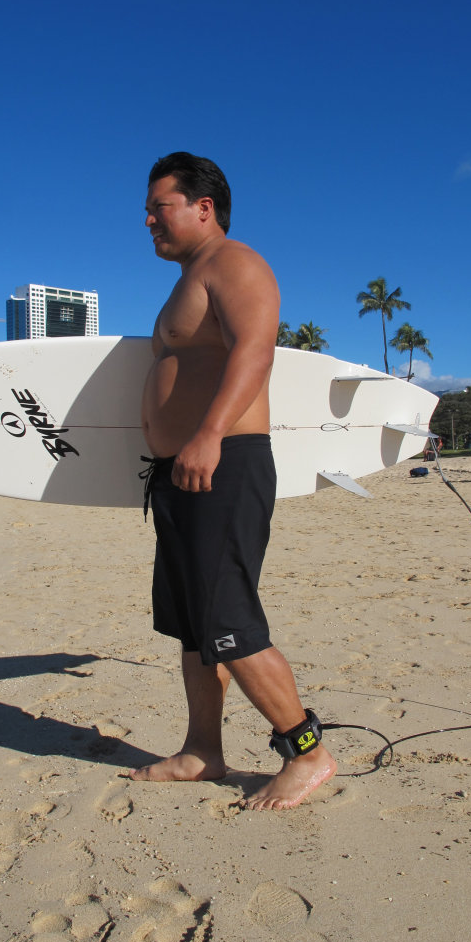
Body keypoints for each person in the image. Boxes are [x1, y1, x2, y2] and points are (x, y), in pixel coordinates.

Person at [131, 152, 337, 810]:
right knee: (194, 625)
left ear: (202, 207)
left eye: (159, 207)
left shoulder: (235, 263)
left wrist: (209, 432)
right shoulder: (189, 277)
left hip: (223, 458)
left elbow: (256, 347)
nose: (148, 220)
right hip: (181, 470)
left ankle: (306, 752)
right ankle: (203, 751)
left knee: (228, 620)